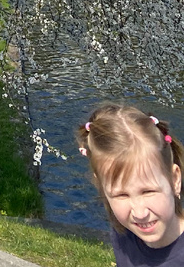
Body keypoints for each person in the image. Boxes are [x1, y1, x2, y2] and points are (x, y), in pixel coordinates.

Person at [77, 103, 184, 264]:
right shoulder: (124, 233)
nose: (139, 213)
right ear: (102, 187)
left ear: (175, 180)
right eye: (121, 195)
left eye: (148, 191)